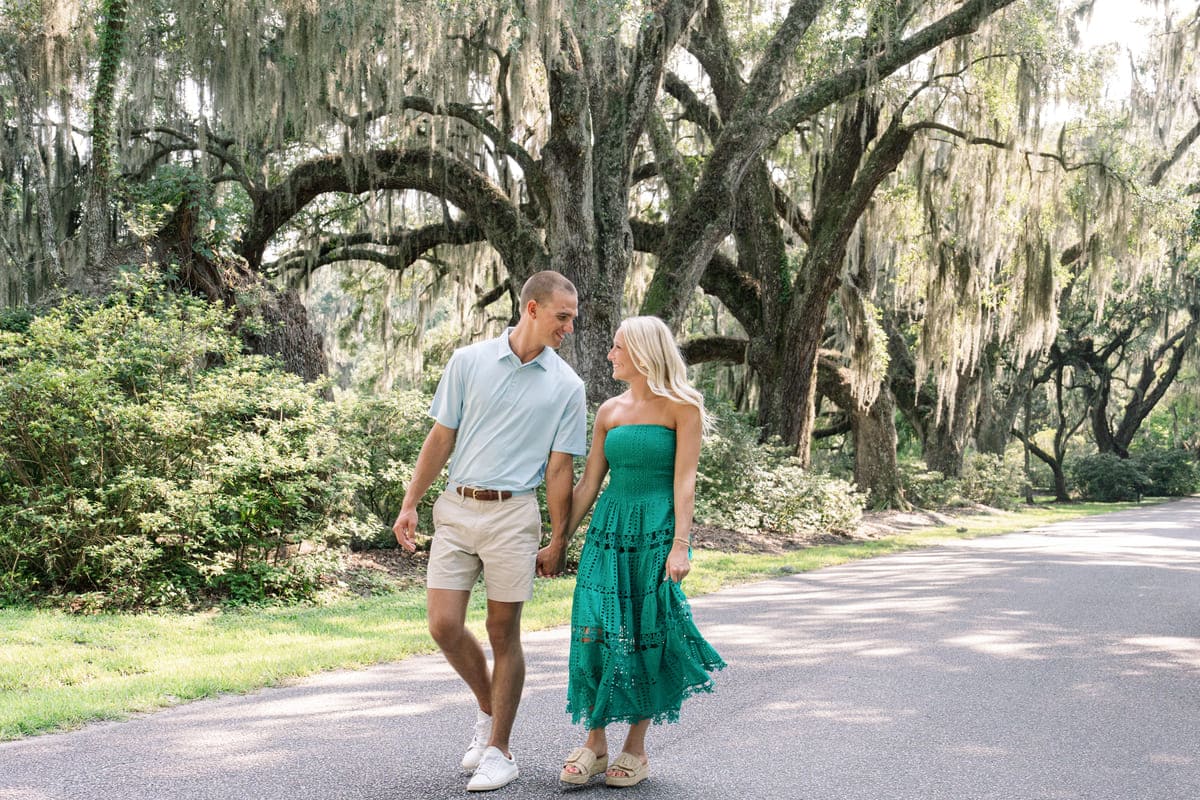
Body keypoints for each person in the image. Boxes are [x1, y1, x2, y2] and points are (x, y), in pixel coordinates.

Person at [393, 270, 587, 792]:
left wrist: (558, 538)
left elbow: (560, 469)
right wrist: (410, 504)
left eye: (571, 318)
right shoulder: (468, 361)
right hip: (457, 507)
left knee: (504, 632)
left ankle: (500, 749)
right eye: (561, 317)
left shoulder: (568, 385)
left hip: (514, 515)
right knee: (443, 624)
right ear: (531, 309)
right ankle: (488, 709)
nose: (568, 327)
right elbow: (442, 436)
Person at [552, 315, 725, 788]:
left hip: (655, 532)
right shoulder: (609, 410)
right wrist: (559, 538)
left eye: (617, 347)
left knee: (646, 632)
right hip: (608, 532)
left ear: (645, 353)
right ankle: (594, 742)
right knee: (596, 631)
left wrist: (681, 545)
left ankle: (635, 748)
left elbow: (684, 481)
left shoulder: (682, 407)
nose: (610, 355)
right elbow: (590, 482)